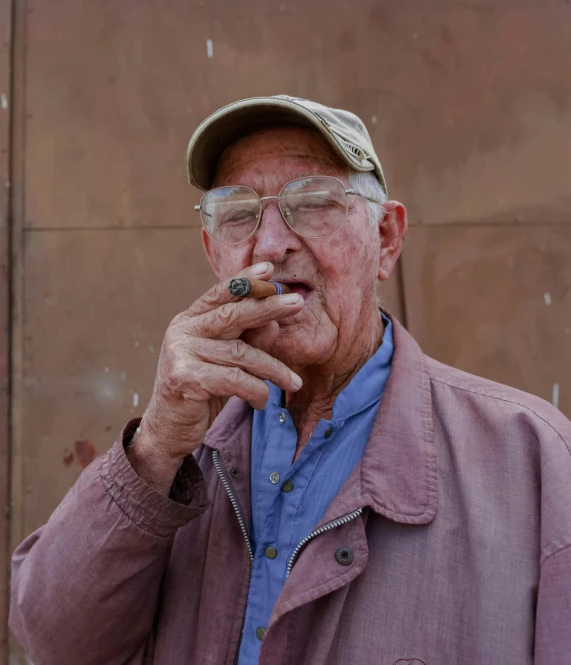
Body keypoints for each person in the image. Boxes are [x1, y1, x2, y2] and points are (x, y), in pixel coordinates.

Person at [9, 95, 571, 665]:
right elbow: (56, 643)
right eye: (237, 214)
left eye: (315, 202)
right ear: (214, 252)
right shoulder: (182, 452)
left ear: (387, 238)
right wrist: (155, 447)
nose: (272, 244)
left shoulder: (531, 457)